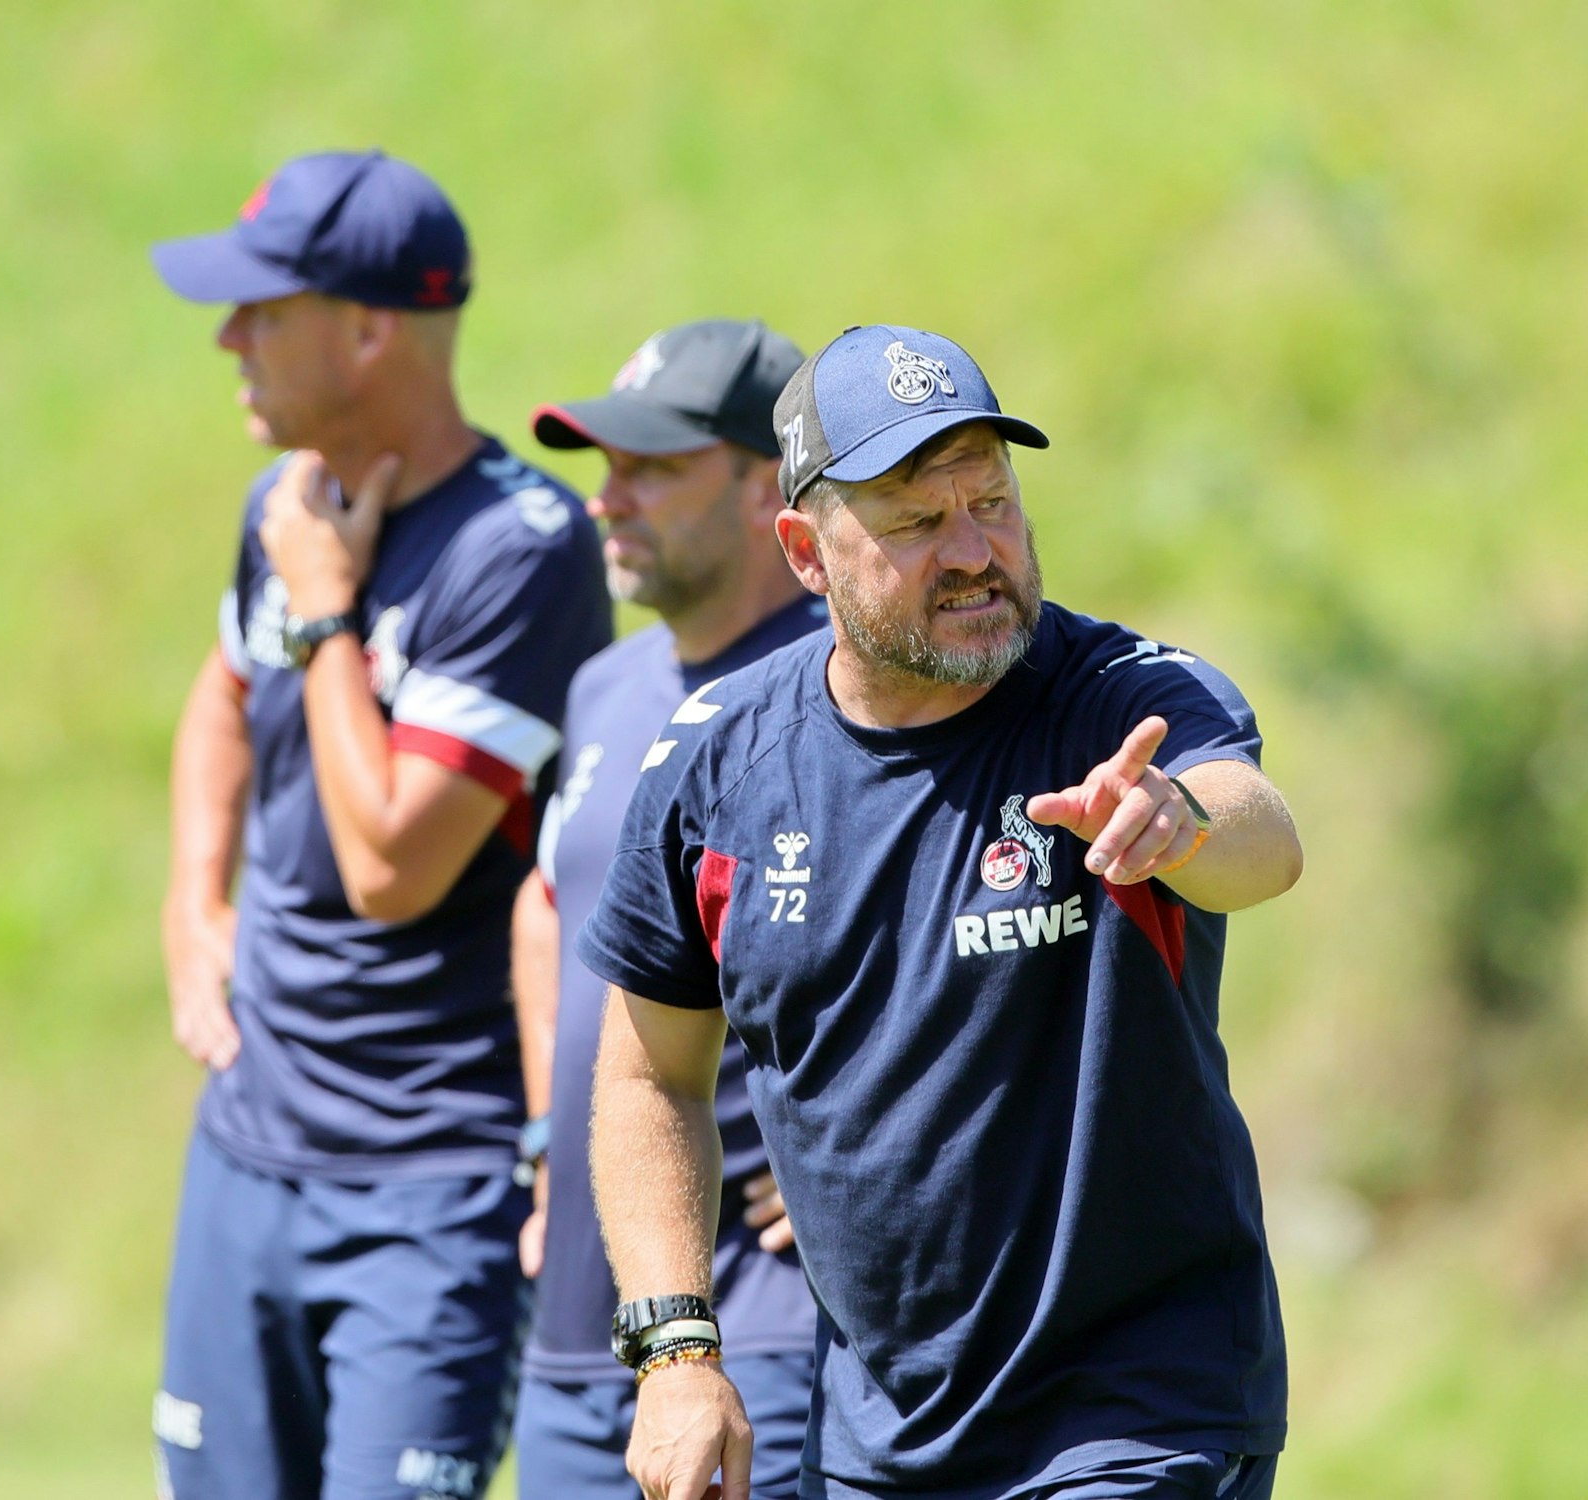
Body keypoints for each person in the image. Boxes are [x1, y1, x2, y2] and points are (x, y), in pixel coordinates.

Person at [576, 326, 1305, 1500]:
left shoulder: (1118, 700)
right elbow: (647, 1077)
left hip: (1134, 1414)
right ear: (805, 553)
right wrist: (674, 1352)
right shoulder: (717, 764)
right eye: (916, 521)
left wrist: (1178, 823)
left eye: (991, 501)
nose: (973, 551)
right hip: (876, 1440)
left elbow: (1259, 836)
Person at [148, 148, 611, 1500]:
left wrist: (327, 612)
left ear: (367, 333)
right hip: (247, 1152)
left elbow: (391, 866)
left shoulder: (518, 551)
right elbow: (220, 701)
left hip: (431, 1181)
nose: (228, 339)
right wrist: (193, 901)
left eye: (262, 310)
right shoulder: (290, 503)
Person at [510, 320, 827, 1500]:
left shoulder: (844, 690)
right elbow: (546, 905)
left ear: (762, 489)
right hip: (576, 1338)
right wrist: (549, 1146)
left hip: (760, 1333)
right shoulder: (603, 686)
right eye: (605, 467)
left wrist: (869, 1148)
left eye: (650, 467)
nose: (607, 498)